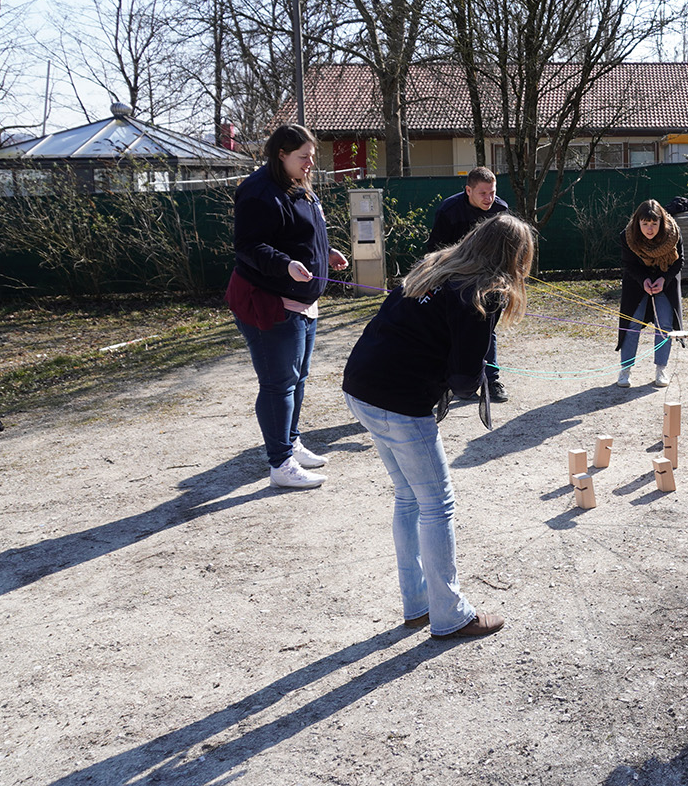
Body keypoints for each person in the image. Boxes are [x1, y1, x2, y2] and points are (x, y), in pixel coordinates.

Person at [341, 213, 535, 639]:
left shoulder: (438, 265)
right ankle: (449, 614)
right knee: (436, 504)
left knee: (409, 497)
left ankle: (418, 604)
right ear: (513, 258)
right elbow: (466, 379)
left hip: (361, 384)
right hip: (397, 398)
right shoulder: (482, 292)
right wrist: (475, 371)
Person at [227, 123, 349, 490]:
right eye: (304, 157)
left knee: (298, 378)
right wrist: (285, 265)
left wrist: (325, 253)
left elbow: (301, 234)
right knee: (278, 382)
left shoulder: (300, 186)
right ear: (281, 153)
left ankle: (291, 442)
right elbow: (249, 246)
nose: (310, 163)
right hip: (269, 300)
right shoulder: (258, 191)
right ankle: (280, 463)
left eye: (312, 156)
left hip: (303, 301)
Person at [427, 166, 511, 402]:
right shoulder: (449, 211)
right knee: (454, 329)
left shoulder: (500, 210)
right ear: (468, 190)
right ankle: (454, 381)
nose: (489, 198)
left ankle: (491, 380)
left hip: (489, 279)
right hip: (456, 279)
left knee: (487, 328)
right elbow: (435, 250)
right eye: (483, 193)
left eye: (492, 192)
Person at [614, 199, 684, 388]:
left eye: (654, 224)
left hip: (665, 283)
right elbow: (628, 264)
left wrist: (664, 279)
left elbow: (679, 262)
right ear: (638, 223)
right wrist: (643, 280)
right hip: (637, 284)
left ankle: (661, 369)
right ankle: (625, 370)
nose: (650, 229)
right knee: (632, 324)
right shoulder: (627, 237)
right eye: (645, 224)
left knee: (665, 325)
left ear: (662, 222)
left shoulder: (674, 234)